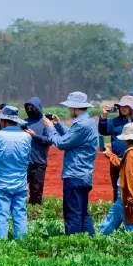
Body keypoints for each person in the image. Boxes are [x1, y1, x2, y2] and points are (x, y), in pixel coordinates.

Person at [42, 91, 100, 236]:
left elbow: (62, 143)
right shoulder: (89, 121)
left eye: (70, 107)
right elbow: (72, 137)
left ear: (75, 107)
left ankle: (73, 245)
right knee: (82, 214)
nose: (68, 110)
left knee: (72, 214)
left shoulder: (81, 125)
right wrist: (58, 124)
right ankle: (90, 243)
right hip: (84, 174)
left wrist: (49, 127)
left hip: (74, 174)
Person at [0, 105, 32, 239]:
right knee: (20, 214)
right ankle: (21, 244)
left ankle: (1, 245)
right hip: (20, 182)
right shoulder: (26, 137)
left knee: (1, 215)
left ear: (3, 121)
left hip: (1, 182)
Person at [99, 123, 133, 235]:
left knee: (131, 225)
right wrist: (110, 155)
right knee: (111, 219)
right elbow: (123, 165)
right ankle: (100, 237)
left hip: (126, 195)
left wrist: (131, 199)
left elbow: (131, 178)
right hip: (125, 194)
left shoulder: (131, 155)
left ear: (128, 139)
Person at [99, 96, 133, 202]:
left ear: (132, 107)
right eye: (121, 106)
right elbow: (103, 131)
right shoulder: (114, 122)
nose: (123, 108)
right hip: (117, 160)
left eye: (126, 106)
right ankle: (119, 212)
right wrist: (104, 117)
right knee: (117, 188)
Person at [22, 97, 54, 205]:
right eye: (28, 108)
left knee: (36, 192)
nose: (30, 110)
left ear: (38, 108)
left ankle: (35, 213)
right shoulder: (23, 122)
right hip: (23, 162)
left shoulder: (45, 122)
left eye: (33, 107)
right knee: (20, 190)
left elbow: (49, 140)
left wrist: (34, 136)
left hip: (38, 162)